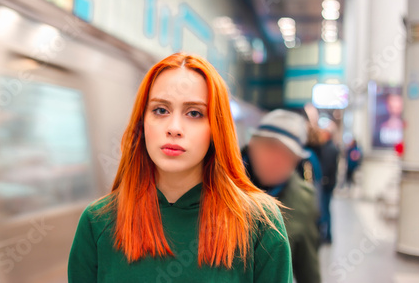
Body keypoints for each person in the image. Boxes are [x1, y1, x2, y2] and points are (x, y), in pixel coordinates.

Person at [68, 53, 293, 282]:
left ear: (216, 127)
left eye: (194, 113)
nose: (174, 128)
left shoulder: (260, 223)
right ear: (142, 122)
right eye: (160, 110)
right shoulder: (98, 222)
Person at [241, 109, 321, 283]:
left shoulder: (303, 200)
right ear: (253, 144)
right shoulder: (220, 180)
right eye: (270, 147)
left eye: (287, 154)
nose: (277, 160)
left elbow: (309, 270)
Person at [318, 119, 340, 244]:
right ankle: (328, 234)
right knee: (327, 209)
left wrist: (323, 180)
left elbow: (326, 167)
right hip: (329, 183)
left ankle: (326, 235)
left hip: (326, 184)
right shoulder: (332, 147)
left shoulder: (328, 149)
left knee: (324, 209)